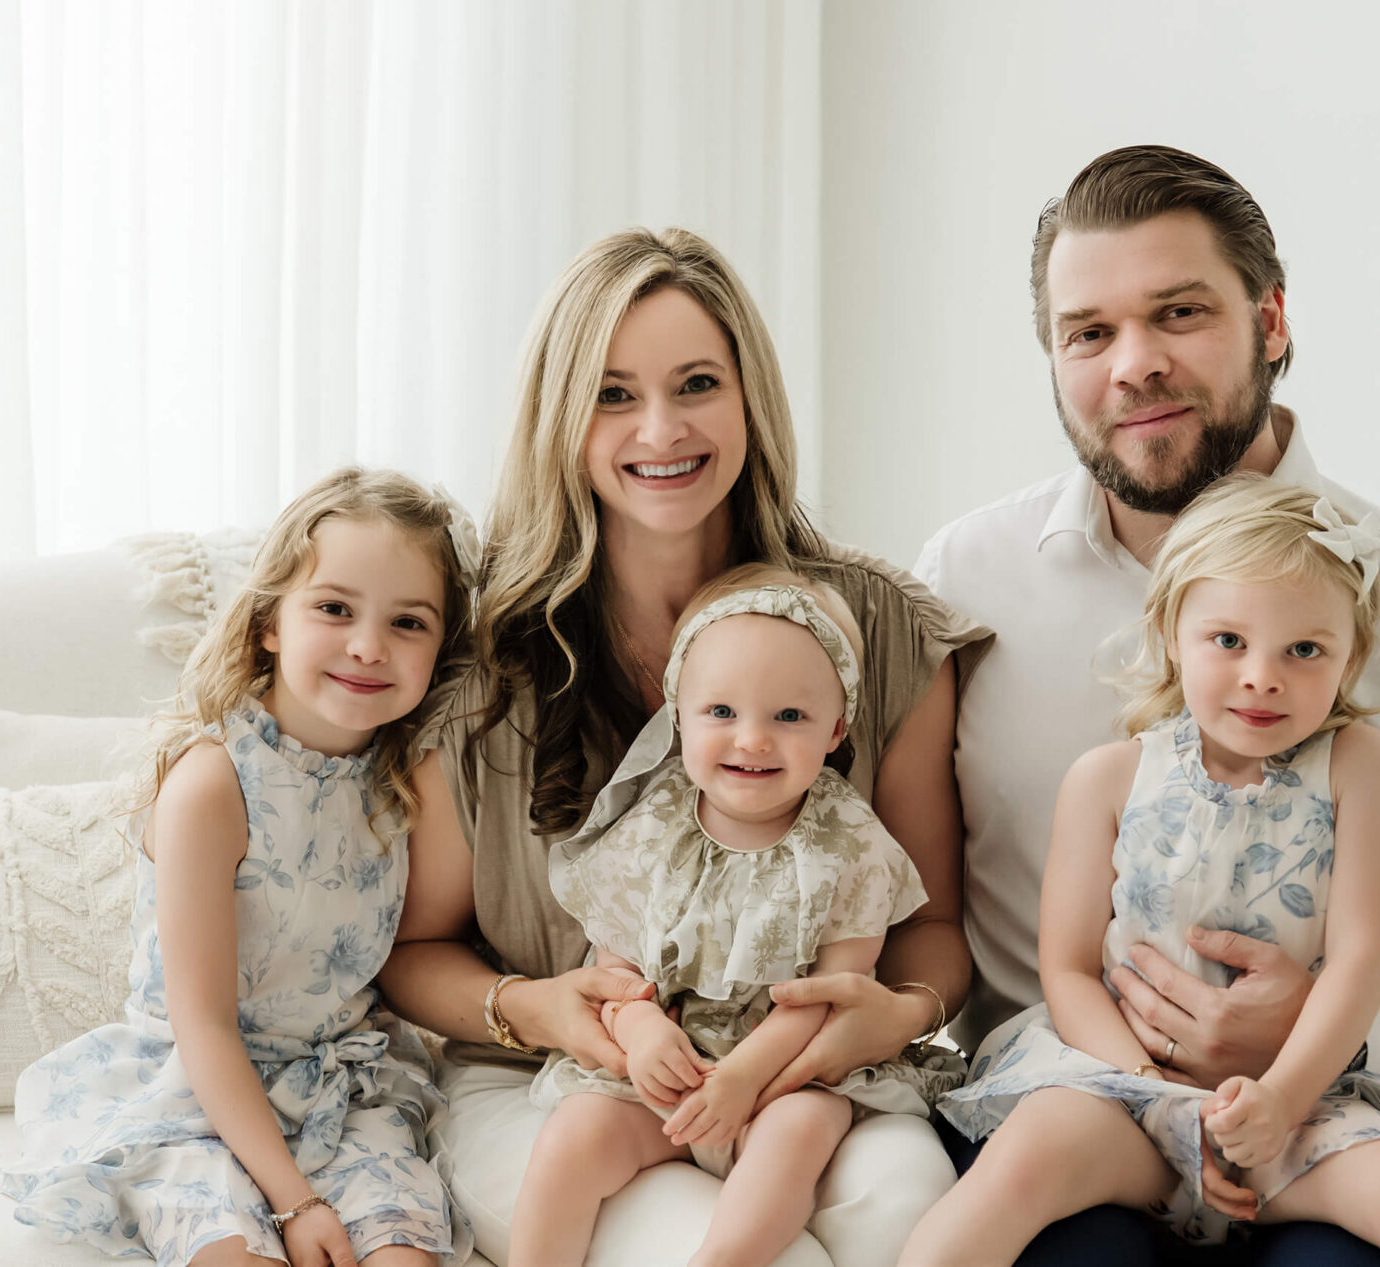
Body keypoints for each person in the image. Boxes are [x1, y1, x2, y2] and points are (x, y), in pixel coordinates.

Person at [915, 145, 1380, 1264]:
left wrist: (1341, 1035)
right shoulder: (965, 579)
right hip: (1070, 1114)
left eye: (1178, 312)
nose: (1134, 364)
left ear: (1270, 321)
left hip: (1314, 1117)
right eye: (1088, 331)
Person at [375, 228, 991, 1267]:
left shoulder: (880, 631)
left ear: (749, 398)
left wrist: (896, 1014)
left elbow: (932, 926)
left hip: (810, 1075)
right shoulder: (482, 665)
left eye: (696, 383)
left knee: (902, 1212)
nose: (659, 428)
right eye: (612, 394)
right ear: (560, 416)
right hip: (552, 1084)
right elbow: (415, 949)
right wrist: (540, 1010)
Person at [904, 475, 1380, 1266]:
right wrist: (1151, 1096)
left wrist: (1279, 1099)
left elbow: (1360, 960)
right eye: (1229, 641)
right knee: (1021, 1163)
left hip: (1293, 1100)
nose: (1263, 675)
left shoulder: (1358, 766)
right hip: (1120, 1095)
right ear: (1170, 634)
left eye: (1304, 649)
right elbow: (1067, 970)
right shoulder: (1108, 777)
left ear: (1351, 654)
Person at [0, 467, 478, 1267]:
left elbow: (415, 955)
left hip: (340, 1089)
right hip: (196, 1089)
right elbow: (204, 1025)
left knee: (402, 1257)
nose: (367, 645)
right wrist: (296, 1200)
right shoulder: (213, 784)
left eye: (408, 622)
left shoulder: (405, 784)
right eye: (334, 608)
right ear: (269, 623)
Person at [513, 566, 963, 1267]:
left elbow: (829, 995)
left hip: (786, 1072)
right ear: (679, 715)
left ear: (836, 727)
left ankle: (722, 1259)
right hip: (665, 1072)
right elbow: (615, 966)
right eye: (721, 712)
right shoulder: (651, 824)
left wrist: (746, 1078)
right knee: (574, 1135)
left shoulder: (849, 842)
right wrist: (639, 1029)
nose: (752, 740)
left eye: (789, 716)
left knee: (800, 1132)